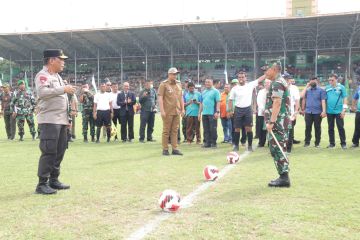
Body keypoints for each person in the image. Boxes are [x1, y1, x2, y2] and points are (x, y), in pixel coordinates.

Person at [35, 49, 75, 194]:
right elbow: (43, 93)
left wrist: (67, 118)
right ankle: (42, 184)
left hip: (61, 120)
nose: (63, 62)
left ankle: (54, 180)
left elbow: (63, 99)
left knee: (60, 151)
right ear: (52, 60)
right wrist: (63, 88)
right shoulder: (42, 75)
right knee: (49, 151)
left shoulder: (57, 76)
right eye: (61, 59)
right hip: (50, 120)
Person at [264, 63, 292, 188]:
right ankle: (283, 176)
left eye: (267, 70)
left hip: (278, 123)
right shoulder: (280, 81)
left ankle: (284, 178)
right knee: (277, 147)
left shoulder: (277, 83)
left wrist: (271, 122)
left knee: (278, 148)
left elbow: (277, 102)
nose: (265, 72)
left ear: (274, 69)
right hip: (280, 121)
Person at [228, 72, 266, 151]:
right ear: (238, 78)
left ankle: (249, 146)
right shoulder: (234, 88)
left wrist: (267, 74)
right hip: (238, 109)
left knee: (248, 128)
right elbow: (230, 100)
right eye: (239, 77)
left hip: (247, 109)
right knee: (237, 129)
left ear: (246, 78)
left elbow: (259, 79)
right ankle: (236, 145)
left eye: (242, 77)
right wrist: (230, 110)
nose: (241, 79)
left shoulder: (250, 85)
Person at [158, 67, 184, 156]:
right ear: (169, 74)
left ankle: (175, 148)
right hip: (167, 111)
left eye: (176, 74)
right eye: (173, 74)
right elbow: (160, 98)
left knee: (175, 131)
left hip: (176, 111)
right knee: (166, 131)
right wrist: (162, 110)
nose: (175, 76)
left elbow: (181, 97)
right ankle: (165, 149)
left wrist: (183, 109)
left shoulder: (179, 84)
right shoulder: (163, 84)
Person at [300, 77, 327, 147]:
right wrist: (303, 109)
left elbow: (323, 101)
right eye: (311, 81)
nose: (312, 82)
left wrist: (324, 111)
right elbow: (302, 97)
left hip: (318, 112)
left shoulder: (321, 90)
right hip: (308, 112)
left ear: (317, 82)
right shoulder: (307, 90)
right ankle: (307, 142)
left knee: (317, 128)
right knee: (308, 127)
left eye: (314, 81)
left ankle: (317, 143)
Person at [325, 74, 347, 149]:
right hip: (329, 111)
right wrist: (324, 110)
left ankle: (343, 144)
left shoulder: (341, 87)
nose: (330, 81)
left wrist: (344, 110)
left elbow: (345, 98)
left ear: (336, 79)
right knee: (330, 128)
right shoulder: (327, 88)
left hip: (339, 111)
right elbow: (324, 100)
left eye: (332, 80)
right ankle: (332, 143)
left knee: (340, 127)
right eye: (329, 80)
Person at [199, 78, 220, 148]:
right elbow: (201, 103)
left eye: (209, 82)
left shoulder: (216, 91)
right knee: (206, 129)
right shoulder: (203, 92)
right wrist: (199, 113)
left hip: (212, 113)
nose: (207, 83)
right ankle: (207, 143)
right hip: (204, 113)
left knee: (213, 128)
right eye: (206, 82)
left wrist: (217, 112)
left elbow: (218, 102)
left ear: (212, 83)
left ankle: (213, 143)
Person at [284, 73, 300, 153]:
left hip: (290, 113)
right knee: (282, 130)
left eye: (288, 79)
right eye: (285, 79)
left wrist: (296, 112)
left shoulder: (294, 88)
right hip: (281, 113)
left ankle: (289, 148)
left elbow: (297, 101)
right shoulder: (280, 87)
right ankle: (282, 147)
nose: (287, 80)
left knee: (290, 130)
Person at [256, 80, 271, 147]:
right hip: (262, 113)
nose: (267, 84)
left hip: (271, 113)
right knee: (261, 128)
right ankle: (261, 142)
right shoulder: (261, 92)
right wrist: (264, 109)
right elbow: (259, 101)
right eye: (266, 83)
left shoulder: (273, 91)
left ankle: (270, 142)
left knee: (270, 128)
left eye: (268, 83)